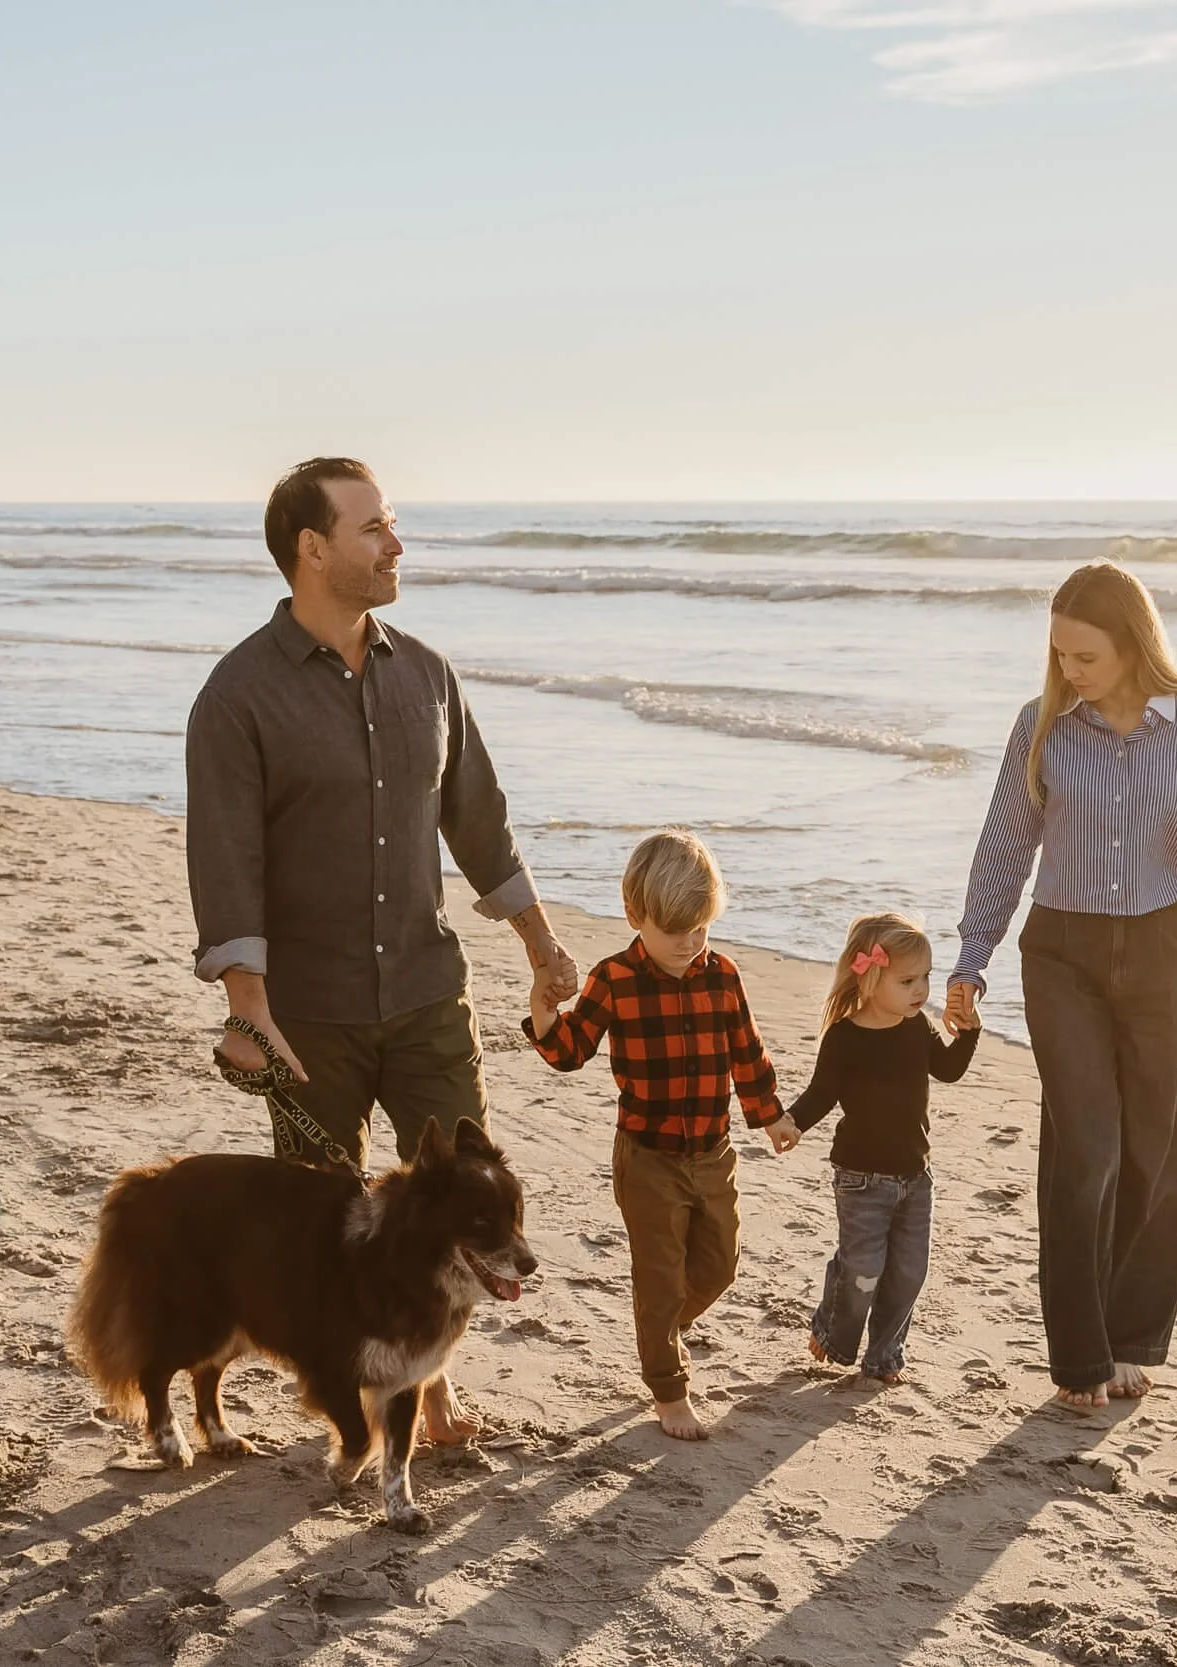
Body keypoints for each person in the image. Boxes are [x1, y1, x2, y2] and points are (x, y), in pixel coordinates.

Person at [184, 455, 581, 1441]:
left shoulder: (429, 676)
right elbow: (225, 859)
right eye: (372, 528)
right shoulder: (237, 696)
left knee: (464, 1193)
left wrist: (541, 946)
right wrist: (247, 1009)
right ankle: (354, 1389)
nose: (395, 543)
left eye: (391, 523)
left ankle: (430, 1385)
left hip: (427, 992)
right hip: (307, 1013)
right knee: (324, 1216)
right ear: (311, 549)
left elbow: (479, 822)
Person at [947, 561, 1177, 1411]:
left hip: (1163, 948)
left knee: (1154, 1151)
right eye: (1059, 653)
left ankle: (1132, 1339)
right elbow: (1004, 847)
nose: (1069, 670)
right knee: (1085, 1145)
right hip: (1063, 954)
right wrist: (973, 955)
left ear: (1133, 643)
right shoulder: (1041, 727)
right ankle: (1079, 1354)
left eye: (1084, 655)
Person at [524, 829, 794, 1440]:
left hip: (714, 1153)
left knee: (719, 1266)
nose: (690, 943)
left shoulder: (723, 975)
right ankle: (669, 1390)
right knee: (660, 1278)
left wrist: (770, 1115)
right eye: (675, 931)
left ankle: (663, 1328)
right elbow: (570, 1052)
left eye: (700, 928)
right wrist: (544, 1014)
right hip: (647, 1159)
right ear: (634, 915)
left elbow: (747, 1053)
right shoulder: (614, 979)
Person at [785, 913, 979, 1386]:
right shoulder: (844, 1037)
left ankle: (884, 1356)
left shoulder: (918, 1027)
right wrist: (791, 1123)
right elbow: (821, 1093)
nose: (921, 990)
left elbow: (948, 1070)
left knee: (909, 1273)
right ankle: (831, 1330)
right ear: (870, 978)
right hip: (860, 1179)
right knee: (862, 1271)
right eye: (908, 981)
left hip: (916, 1177)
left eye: (926, 977)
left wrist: (969, 1032)